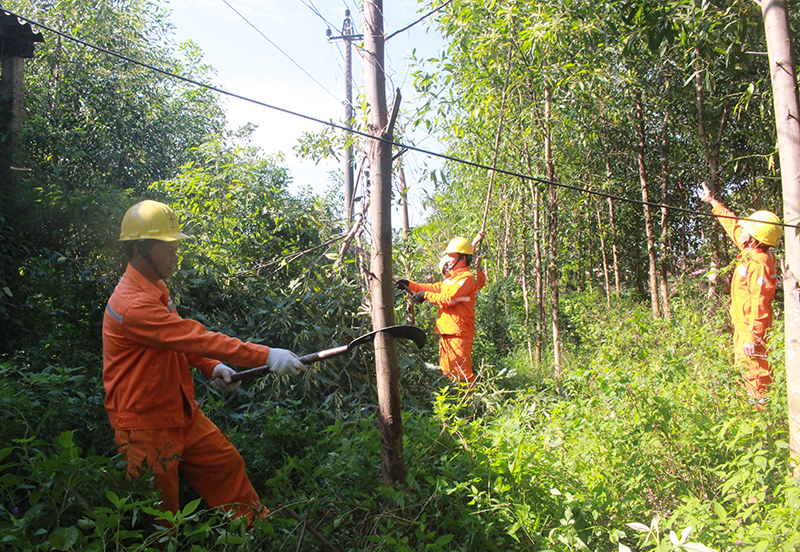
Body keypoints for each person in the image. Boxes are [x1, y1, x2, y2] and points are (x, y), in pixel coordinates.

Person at [102, 200, 306, 521]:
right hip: (144, 426)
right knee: (161, 516)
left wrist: (212, 366)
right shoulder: (132, 305)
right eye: (166, 248)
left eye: (175, 247)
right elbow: (193, 336)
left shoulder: (156, 288)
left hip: (181, 412)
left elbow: (180, 343)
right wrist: (266, 354)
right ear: (140, 249)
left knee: (226, 465)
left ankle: (257, 531)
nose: (174, 255)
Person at [699, 183, 781, 401]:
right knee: (744, 375)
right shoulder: (750, 251)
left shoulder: (760, 263)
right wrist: (712, 202)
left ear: (754, 238)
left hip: (751, 331)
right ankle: (748, 413)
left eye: (748, 229)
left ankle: (761, 421)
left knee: (757, 378)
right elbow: (732, 225)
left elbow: (760, 303)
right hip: (743, 328)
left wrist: (753, 337)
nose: (742, 230)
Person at [396, 231, 486, 382]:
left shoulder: (467, 278)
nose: (448, 259)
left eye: (452, 256)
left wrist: (425, 296)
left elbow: (449, 298)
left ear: (462, 258)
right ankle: (453, 403)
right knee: (447, 374)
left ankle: (469, 403)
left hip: (459, 333)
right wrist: (409, 285)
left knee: (461, 374)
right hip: (447, 332)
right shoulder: (452, 279)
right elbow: (434, 288)